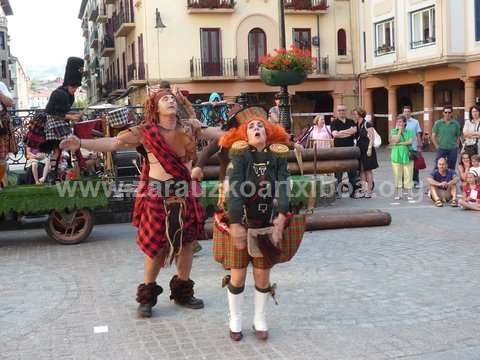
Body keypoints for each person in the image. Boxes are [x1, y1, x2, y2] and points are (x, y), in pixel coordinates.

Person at [61, 86, 223, 318]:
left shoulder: (189, 127)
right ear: (155, 107)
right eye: (164, 99)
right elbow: (113, 143)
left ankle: (183, 292)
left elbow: (216, 134)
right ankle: (147, 297)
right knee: (156, 249)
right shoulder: (145, 131)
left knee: (186, 245)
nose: (170, 101)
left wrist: (244, 132)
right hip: (158, 196)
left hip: (185, 195)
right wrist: (81, 143)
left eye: (172, 98)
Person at [215, 106, 304, 341]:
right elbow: (234, 190)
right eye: (251, 127)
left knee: (262, 277)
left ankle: (259, 319)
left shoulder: (277, 157)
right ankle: (235, 319)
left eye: (261, 126)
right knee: (238, 276)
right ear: (244, 135)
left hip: (267, 223)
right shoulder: (239, 155)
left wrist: (282, 216)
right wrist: (235, 223)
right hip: (240, 221)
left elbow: (285, 185)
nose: (256, 128)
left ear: (269, 134)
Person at [41, 57, 85, 176]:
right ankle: (80, 166)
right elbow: (56, 114)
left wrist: (73, 115)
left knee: (57, 149)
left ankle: (53, 174)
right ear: (68, 85)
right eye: (74, 87)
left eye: (76, 88)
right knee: (72, 142)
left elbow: (64, 111)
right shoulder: (61, 94)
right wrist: (72, 117)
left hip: (53, 122)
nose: (75, 90)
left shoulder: (67, 95)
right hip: (53, 121)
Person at [330, 104, 358, 197]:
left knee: (352, 171)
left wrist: (341, 132)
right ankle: (338, 192)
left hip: (350, 149)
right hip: (339, 150)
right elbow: (335, 135)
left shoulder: (351, 121)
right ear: (337, 112)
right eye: (339, 110)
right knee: (338, 172)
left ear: (346, 111)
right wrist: (348, 132)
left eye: (343, 110)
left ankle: (353, 192)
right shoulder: (334, 122)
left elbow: (354, 131)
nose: (341, 112)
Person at [353, 107, 378, 198]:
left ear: (360, 114)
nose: (354, 116)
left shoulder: (367, 124)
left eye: (355, 114)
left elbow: (372, 137)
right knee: (362, 170)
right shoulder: (357, 124)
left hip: (367, 149)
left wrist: (370, 148)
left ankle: (369, 191)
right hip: (360, 150)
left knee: (368, 170)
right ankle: (364, 189)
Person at [389, 115, 414, 200]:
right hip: (396, 155)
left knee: (408, 174)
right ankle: (399, 194)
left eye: (400, 122)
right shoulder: (393, 131)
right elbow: (395, 140)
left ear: (404, 123)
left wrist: (400, 143)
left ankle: (409, 193)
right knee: (397, 175)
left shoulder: (409, 131)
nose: (398, 123)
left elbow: (410, 141)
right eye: (397, 122)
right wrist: (399, 131)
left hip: (407, 155)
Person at [432, 105, 462, 170]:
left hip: (453, 149)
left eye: (449, 112)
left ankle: (451, 179)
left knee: (451, 166)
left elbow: (458, 136)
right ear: (443, 113)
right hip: (441, 148)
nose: (447, 114)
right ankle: (437, 179)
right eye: (445, 112)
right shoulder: (438, 123)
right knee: (438, 166)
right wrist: (437, 146)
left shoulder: (456, 124)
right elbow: (433, 136)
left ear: (452, 113)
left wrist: (456, 146)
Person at [403, 106, 423, 188]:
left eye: (408, 111)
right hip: (403, 148)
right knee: (404, 165)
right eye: (405, 111)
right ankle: (405, 181)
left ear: (410, 112)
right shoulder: (400, 122)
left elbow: (418, 134)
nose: (407, 113)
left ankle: (416, 181)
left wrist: (419, 145)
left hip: (413, 147)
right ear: (403, 112)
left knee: (415, 166)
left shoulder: (415, 122)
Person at [0, 78, 15, 189]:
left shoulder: (1, 85)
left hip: (1, 123)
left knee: (1, 158)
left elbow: (10, 103)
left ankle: (4, 187)